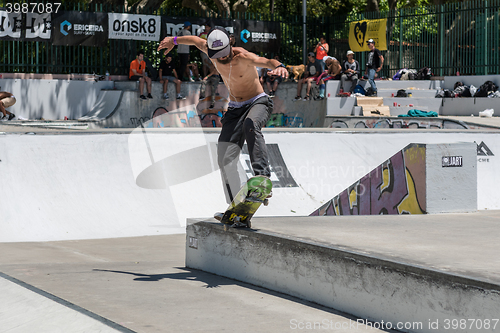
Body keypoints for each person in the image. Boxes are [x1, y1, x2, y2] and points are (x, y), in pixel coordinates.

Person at [158, 27, 288, 209]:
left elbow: (266, 60)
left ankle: (262, 178)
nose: (220, 58)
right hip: (234, 109)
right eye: (216, 55)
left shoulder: (242, 56)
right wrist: (174, 40)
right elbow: (195, 40)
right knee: (224, 157)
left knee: (251, 124)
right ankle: (236, 204)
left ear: (230, 44)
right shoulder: (210, 51)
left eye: (223, 53)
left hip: (258, 102)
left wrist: (279, 67)